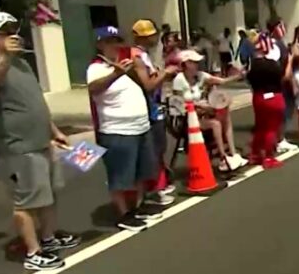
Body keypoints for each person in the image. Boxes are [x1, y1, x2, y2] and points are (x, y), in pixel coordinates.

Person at [0, 12, 71, 271]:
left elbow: (34, 101)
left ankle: (48, 238)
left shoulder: (23, 64)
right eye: (5, 32)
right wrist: (4, 56)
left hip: (41, 142)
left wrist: (53, 130)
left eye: (14, 30)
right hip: (18, 147)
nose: (13, 36)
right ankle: (33, 251)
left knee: (48, 195)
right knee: (26, 202)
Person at [86, 26, 164, 231]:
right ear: (100, 45)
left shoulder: (126, 63)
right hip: (118, 131)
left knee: (141, 172)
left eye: (117, 41)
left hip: (141, 127)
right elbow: (94, 88)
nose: (114, 46)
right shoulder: (97, 68)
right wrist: (116, 73)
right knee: (120, 176)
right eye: (109, 42)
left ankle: (138, 206)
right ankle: (123, 213)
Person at [172, 50, 248, 172]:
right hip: (185, 118)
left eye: (197, 62)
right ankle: (223, 158)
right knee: (215, 124)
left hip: (200, 114)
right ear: (186, 64)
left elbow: (221, 81)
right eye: (193, 62)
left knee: (225, 114)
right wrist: (199, 106)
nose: (197, 65)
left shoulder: (201, 75)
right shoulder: (179, 80)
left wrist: (238, 76)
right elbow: (178, 102)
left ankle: (233, 154)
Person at [131, 19, 179, 206]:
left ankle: (161, 183)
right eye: (151, 35)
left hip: (155, 107)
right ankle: (154, 190)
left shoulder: (145, 55)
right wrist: (165, 73)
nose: (155, 38)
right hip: (148, 110)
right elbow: (148, 85)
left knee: (159, 149)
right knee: (153, 151)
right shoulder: (137, 56)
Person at [246, 29, 288, 169]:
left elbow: (249, 80)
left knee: (260, 127)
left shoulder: (253, 66)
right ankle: (269, 156)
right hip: (274, 97)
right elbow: (282, 77)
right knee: (271, 128)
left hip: (258, 96)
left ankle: (255, 154)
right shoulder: (272, 64)